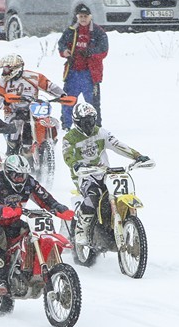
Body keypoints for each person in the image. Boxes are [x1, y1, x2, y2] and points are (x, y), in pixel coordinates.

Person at [0, 155, 74, 295]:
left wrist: (58, 208)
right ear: (8, 173)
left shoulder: (29, 182)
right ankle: (1, 281)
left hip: (13, 220)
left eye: (23, 175)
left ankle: (29, 268)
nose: (20, 179)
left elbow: (44, 197)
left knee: (32, 234)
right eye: (17, 175)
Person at [62, 103, 150, 245]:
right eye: (85, 122)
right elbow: (67, 155)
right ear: (77, 122)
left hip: (104, 172)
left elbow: (117, 145)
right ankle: (81, 230)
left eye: (91, 121)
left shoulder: (101, 133)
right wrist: (75, 164)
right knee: (93, 196)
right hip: (83, 175)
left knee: (120, 191)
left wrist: (137, 156)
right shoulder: (69, 138)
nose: (89, 125)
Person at [0, 54, 66, 156]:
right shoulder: (2, 82)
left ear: (16, 68)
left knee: (51, 121)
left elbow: (50, 86)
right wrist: (6, 102)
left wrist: (62, 95)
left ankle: (48, 140)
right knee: (15, 127)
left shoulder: (34, 77)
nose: (4, 71)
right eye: (4, 69)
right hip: (13, 112)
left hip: (34, 109)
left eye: (7, 69)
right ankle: (12, 154)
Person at [58, 4, 109, 128]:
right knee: (68, 100)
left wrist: (90, 53)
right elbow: (62, 44)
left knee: (93, 103)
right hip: (73, 73)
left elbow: (103, 50)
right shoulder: (71, 30)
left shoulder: (98, 32)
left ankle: (95, 125)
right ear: (77, 17)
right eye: (81, 16)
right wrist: (65, 52)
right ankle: (66, 125)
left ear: (90, 17)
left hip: (90, 75)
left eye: (85, 16)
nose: (83, 19)